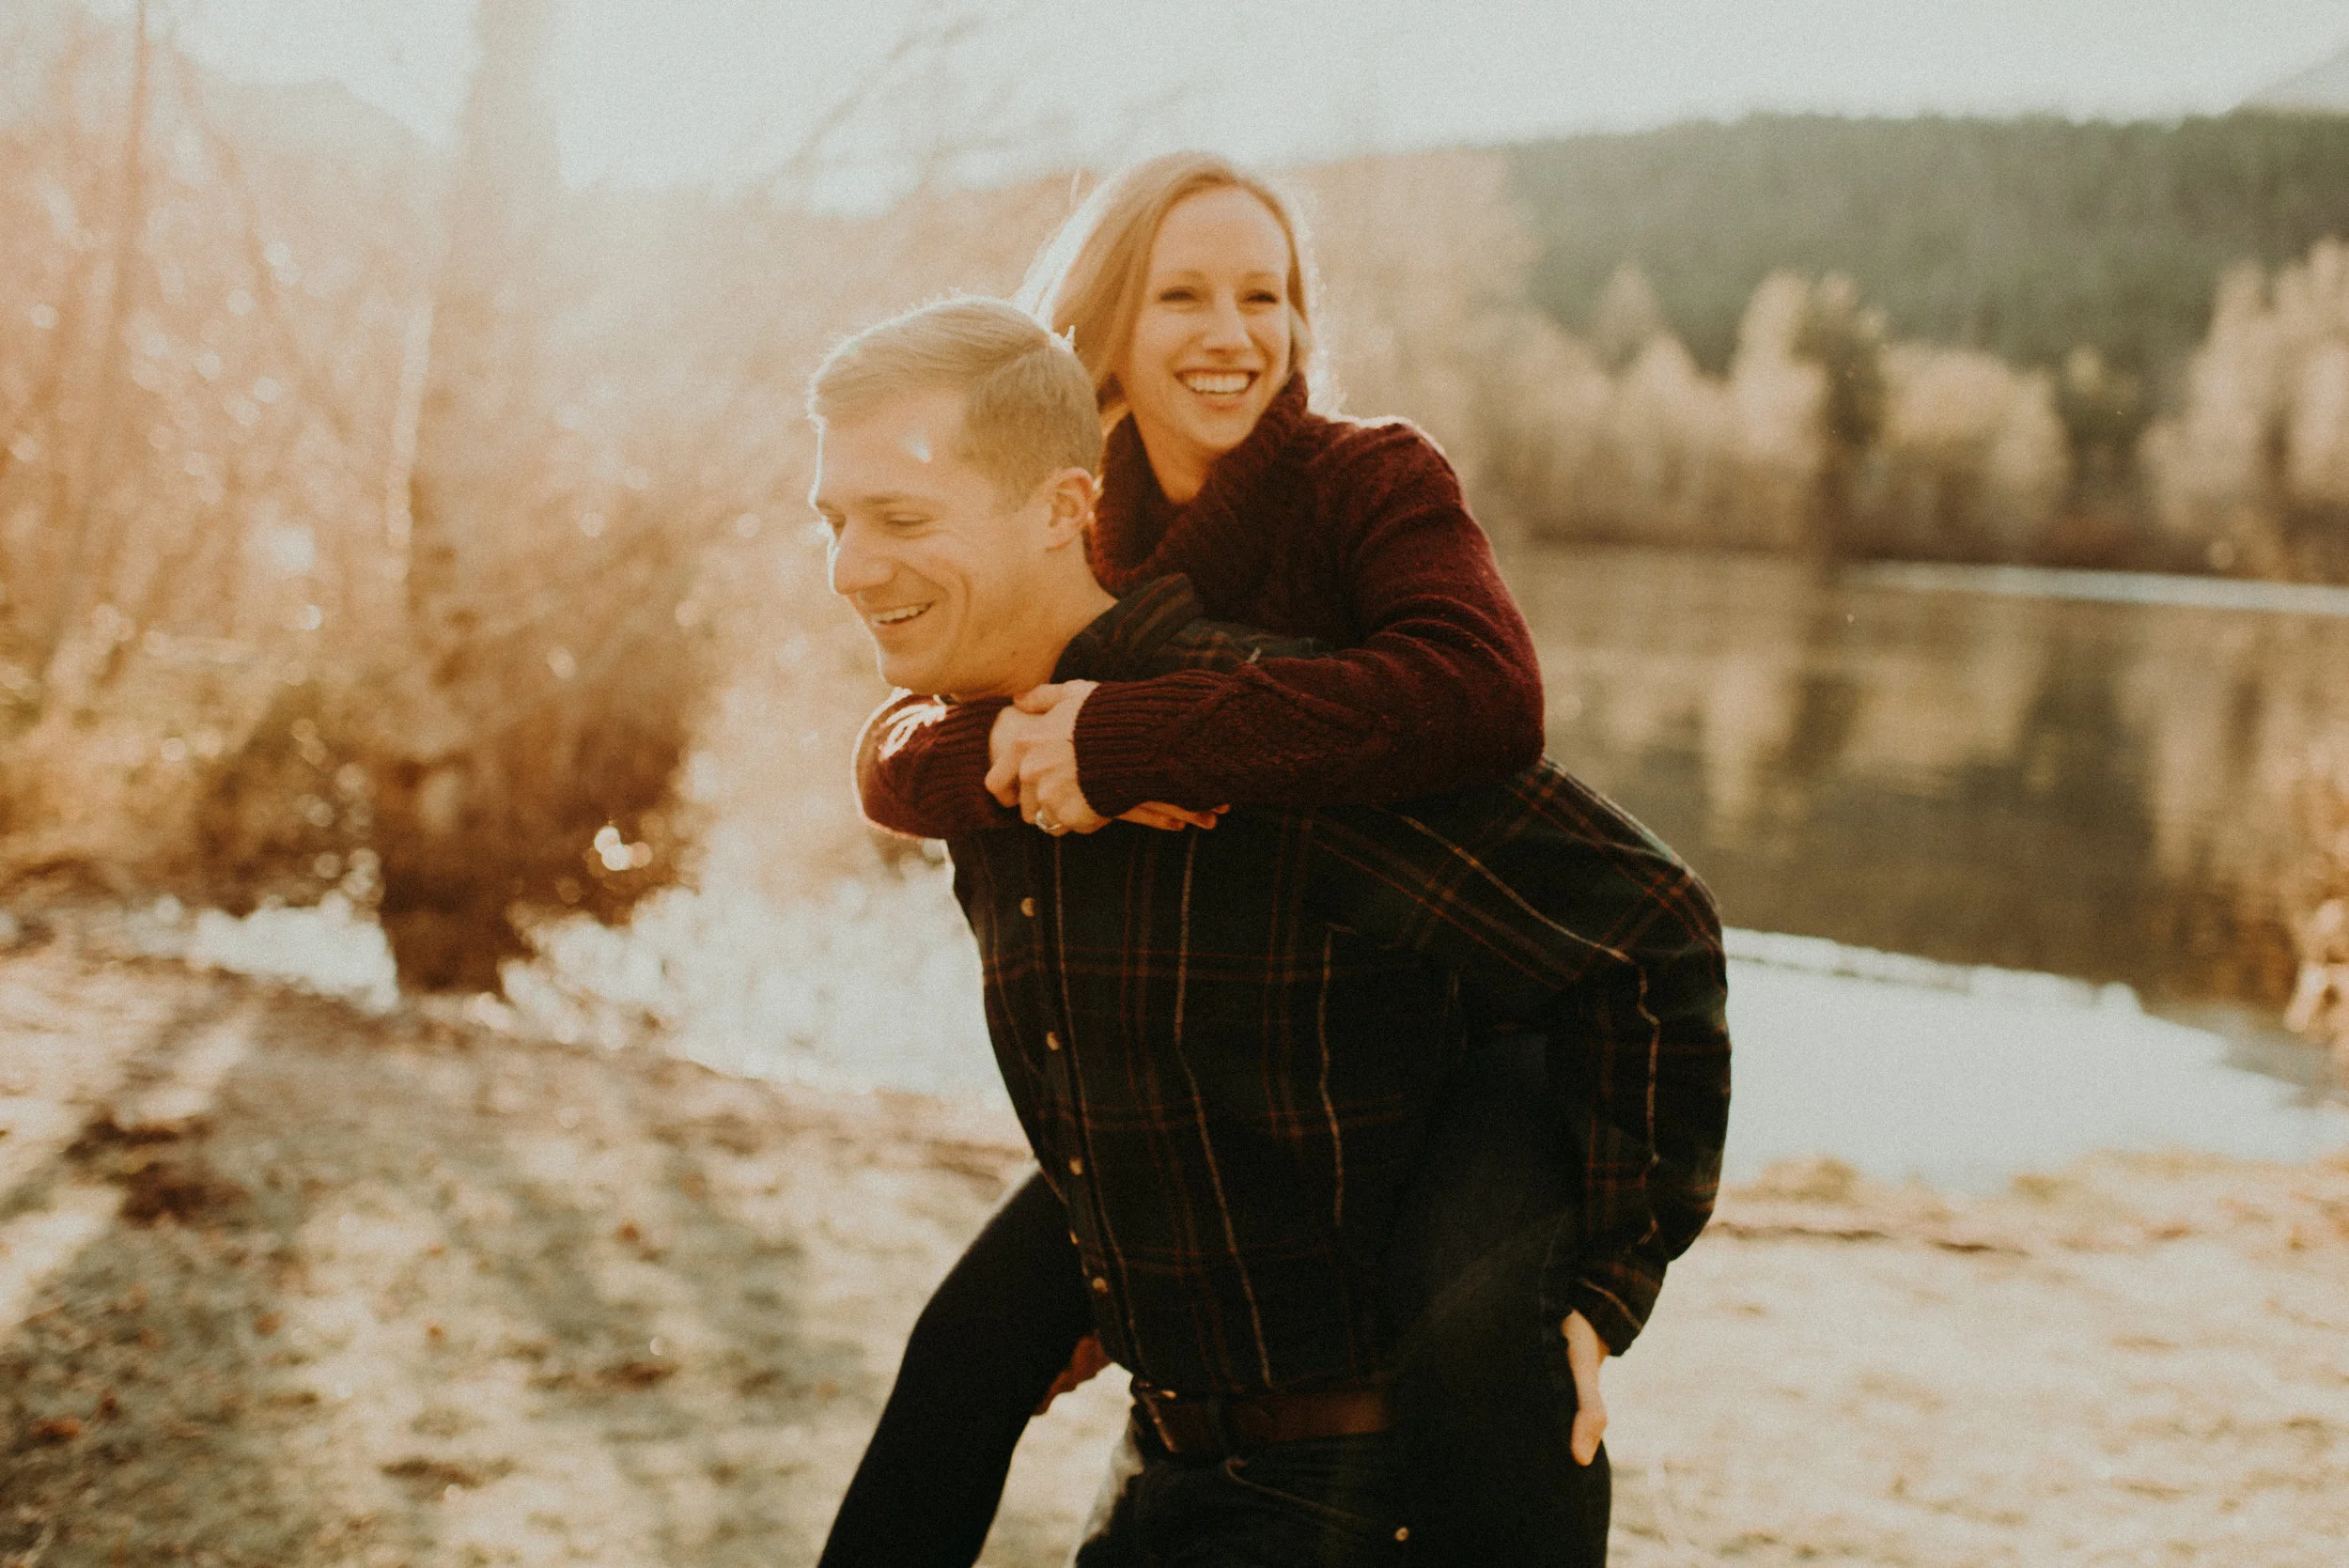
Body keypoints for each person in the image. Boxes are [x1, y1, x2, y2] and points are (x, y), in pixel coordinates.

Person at [808, 294, 1729, 1565]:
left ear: (1065, 509)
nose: (851, 568)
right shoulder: (987, 752)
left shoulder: (1262, 742)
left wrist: (1601, 1291)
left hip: (1367, 1504)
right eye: (836, 522)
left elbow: (1650, 923)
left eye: (902, 520)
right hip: (1169, 1461)